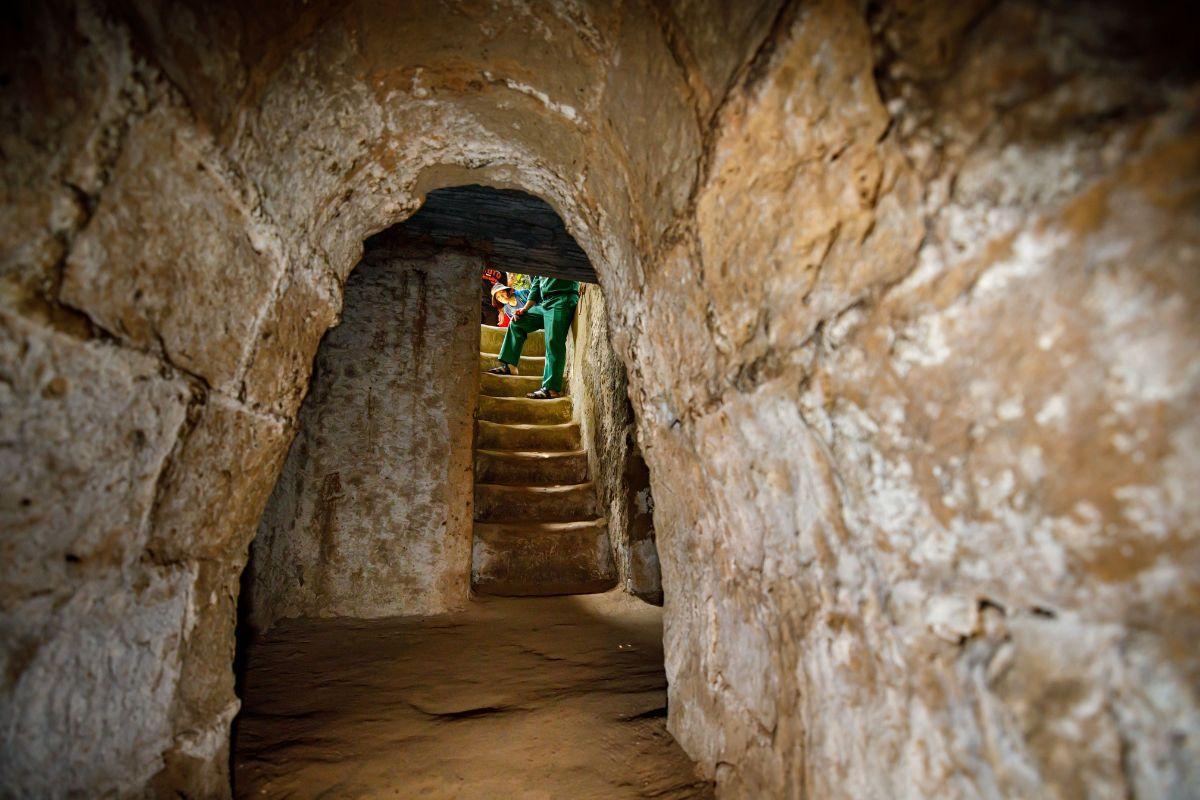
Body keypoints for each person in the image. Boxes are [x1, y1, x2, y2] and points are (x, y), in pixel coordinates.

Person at [487, 274, 579, 399]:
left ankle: (551, 388)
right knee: (517, 322)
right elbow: (536, 285)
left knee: (553, 340)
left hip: (562, 298)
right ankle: (510, 365)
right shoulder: (540, 266)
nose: (501, 296)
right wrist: (524, 309)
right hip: (545, 304)